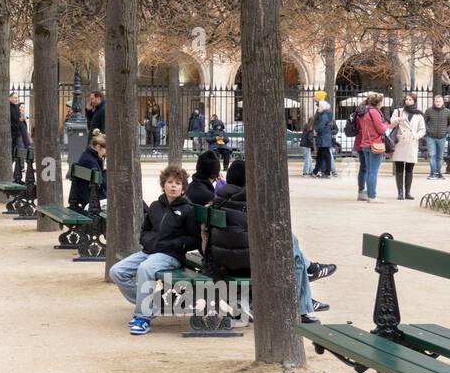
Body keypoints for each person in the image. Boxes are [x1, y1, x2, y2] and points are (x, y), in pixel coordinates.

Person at [208, 159, 336, 324]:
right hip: (247, 261)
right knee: (294, 255)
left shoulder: (221, 198)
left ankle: (309, 284)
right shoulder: (250, 202)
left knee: (292, 247)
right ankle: (301, 305)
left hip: (223, 259)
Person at [110, 166, 198, 335]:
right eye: (170, 182)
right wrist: (148, 241)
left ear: (183, 188)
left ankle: (143, 317)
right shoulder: (156, 206)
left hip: (170, 255)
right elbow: (145, 230)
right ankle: (151, 306)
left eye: (178, 183)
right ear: (163, 185)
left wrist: (173, 244)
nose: (173, 186)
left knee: (145, 269)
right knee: (117, 271)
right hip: (148, 252)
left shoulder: (188, 210)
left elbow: (194, 239)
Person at [353, 92, 389, 202]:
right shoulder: (374, 112)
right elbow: (381, 129)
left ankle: (368, 194)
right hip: (375, 144)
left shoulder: (363, 112)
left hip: (364, 143)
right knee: (373, 171)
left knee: (368, 170)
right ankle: (372, 196)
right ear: (378, 103)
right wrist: (387, 124)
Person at [390, 95, 426, 199]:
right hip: (400, 142)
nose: (407, 101)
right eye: (406, 99)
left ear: (414, 101)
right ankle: (400, 193)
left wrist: (416, 136)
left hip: (412, 142)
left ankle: (408, 193)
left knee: (410, 169)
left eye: (410, 99)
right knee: (399, 168)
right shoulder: (398, 111)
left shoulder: (419, 114)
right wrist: (398, 120)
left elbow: (422, 129)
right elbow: (390, 125)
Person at [68, 130, 107, 208]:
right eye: (105, 150)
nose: (105, 153)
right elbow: (104, 185)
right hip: (93, 200)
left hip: (85, 196)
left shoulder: (86, 155)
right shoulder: (92, 162)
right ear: (98, 147)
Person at [422, 95, 450, 179]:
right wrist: (428, 130)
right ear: (434, 102)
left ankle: (438, 173)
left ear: (443, 102)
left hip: (442, 137)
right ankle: (434, 173)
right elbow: (423, 122)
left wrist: (446, 130)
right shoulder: (429, 111)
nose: (438, 103)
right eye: (436, 101)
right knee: (432, 155)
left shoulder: (448, 112)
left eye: (440, 101)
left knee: (440, 156)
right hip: (431, 137)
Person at [9, 92, 30, 178]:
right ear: (9, 98)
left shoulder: (18, 107)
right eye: (14, 97)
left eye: (17, 97)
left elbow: (21, 119)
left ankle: (21, 167)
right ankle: (16, 166)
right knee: (15, 150)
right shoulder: (9, 107)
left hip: (20, 132)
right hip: (14, 132)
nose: (16, 99)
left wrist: (23, 115)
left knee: (20, 148)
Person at [313, 100, 335, 177]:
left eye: (319, 106)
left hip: (323, 138)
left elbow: (320, 126)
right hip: (324, 138)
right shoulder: (325, 115)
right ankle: (316, 171)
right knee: (321, 155)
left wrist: (316, 130)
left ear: (322, 107)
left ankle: (328, 172)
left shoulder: (324, 116)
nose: (318, 108)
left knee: (325, 155)